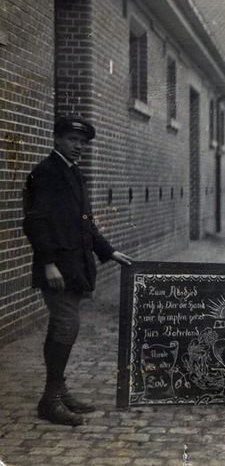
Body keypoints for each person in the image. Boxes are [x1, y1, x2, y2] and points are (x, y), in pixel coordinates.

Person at [22, 117, 133, 426]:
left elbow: (85, 221)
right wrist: (48, 263)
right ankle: (50, 400)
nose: (79, 146)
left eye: (83, 142)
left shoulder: (72, 172)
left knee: (63, 327)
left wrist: (108, 251)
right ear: (57, 139)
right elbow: (34, 222)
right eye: (73, 140)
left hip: (74, 264)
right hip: (57, 265)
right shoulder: (46, 173)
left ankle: (58, 391)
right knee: (65, 326)